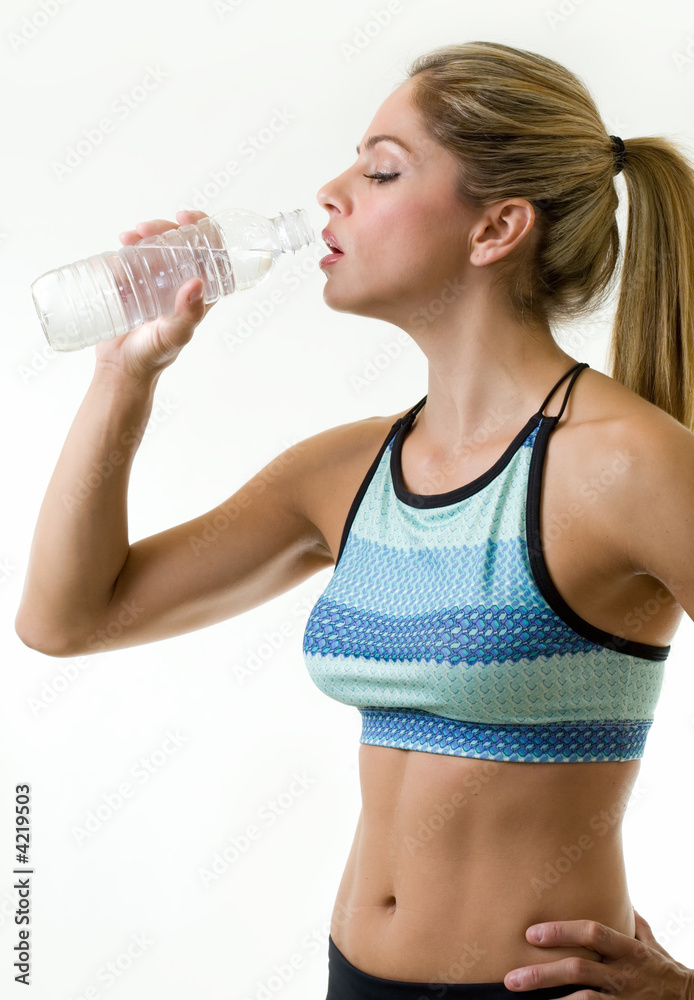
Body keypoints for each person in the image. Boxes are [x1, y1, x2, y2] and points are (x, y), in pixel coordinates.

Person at [15, 39, 694, 1000]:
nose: (330, 194)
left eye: (380, 170)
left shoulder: (627, 464)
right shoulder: (345, 473)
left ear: (497, 227)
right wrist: (124, 377)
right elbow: (67, 618)